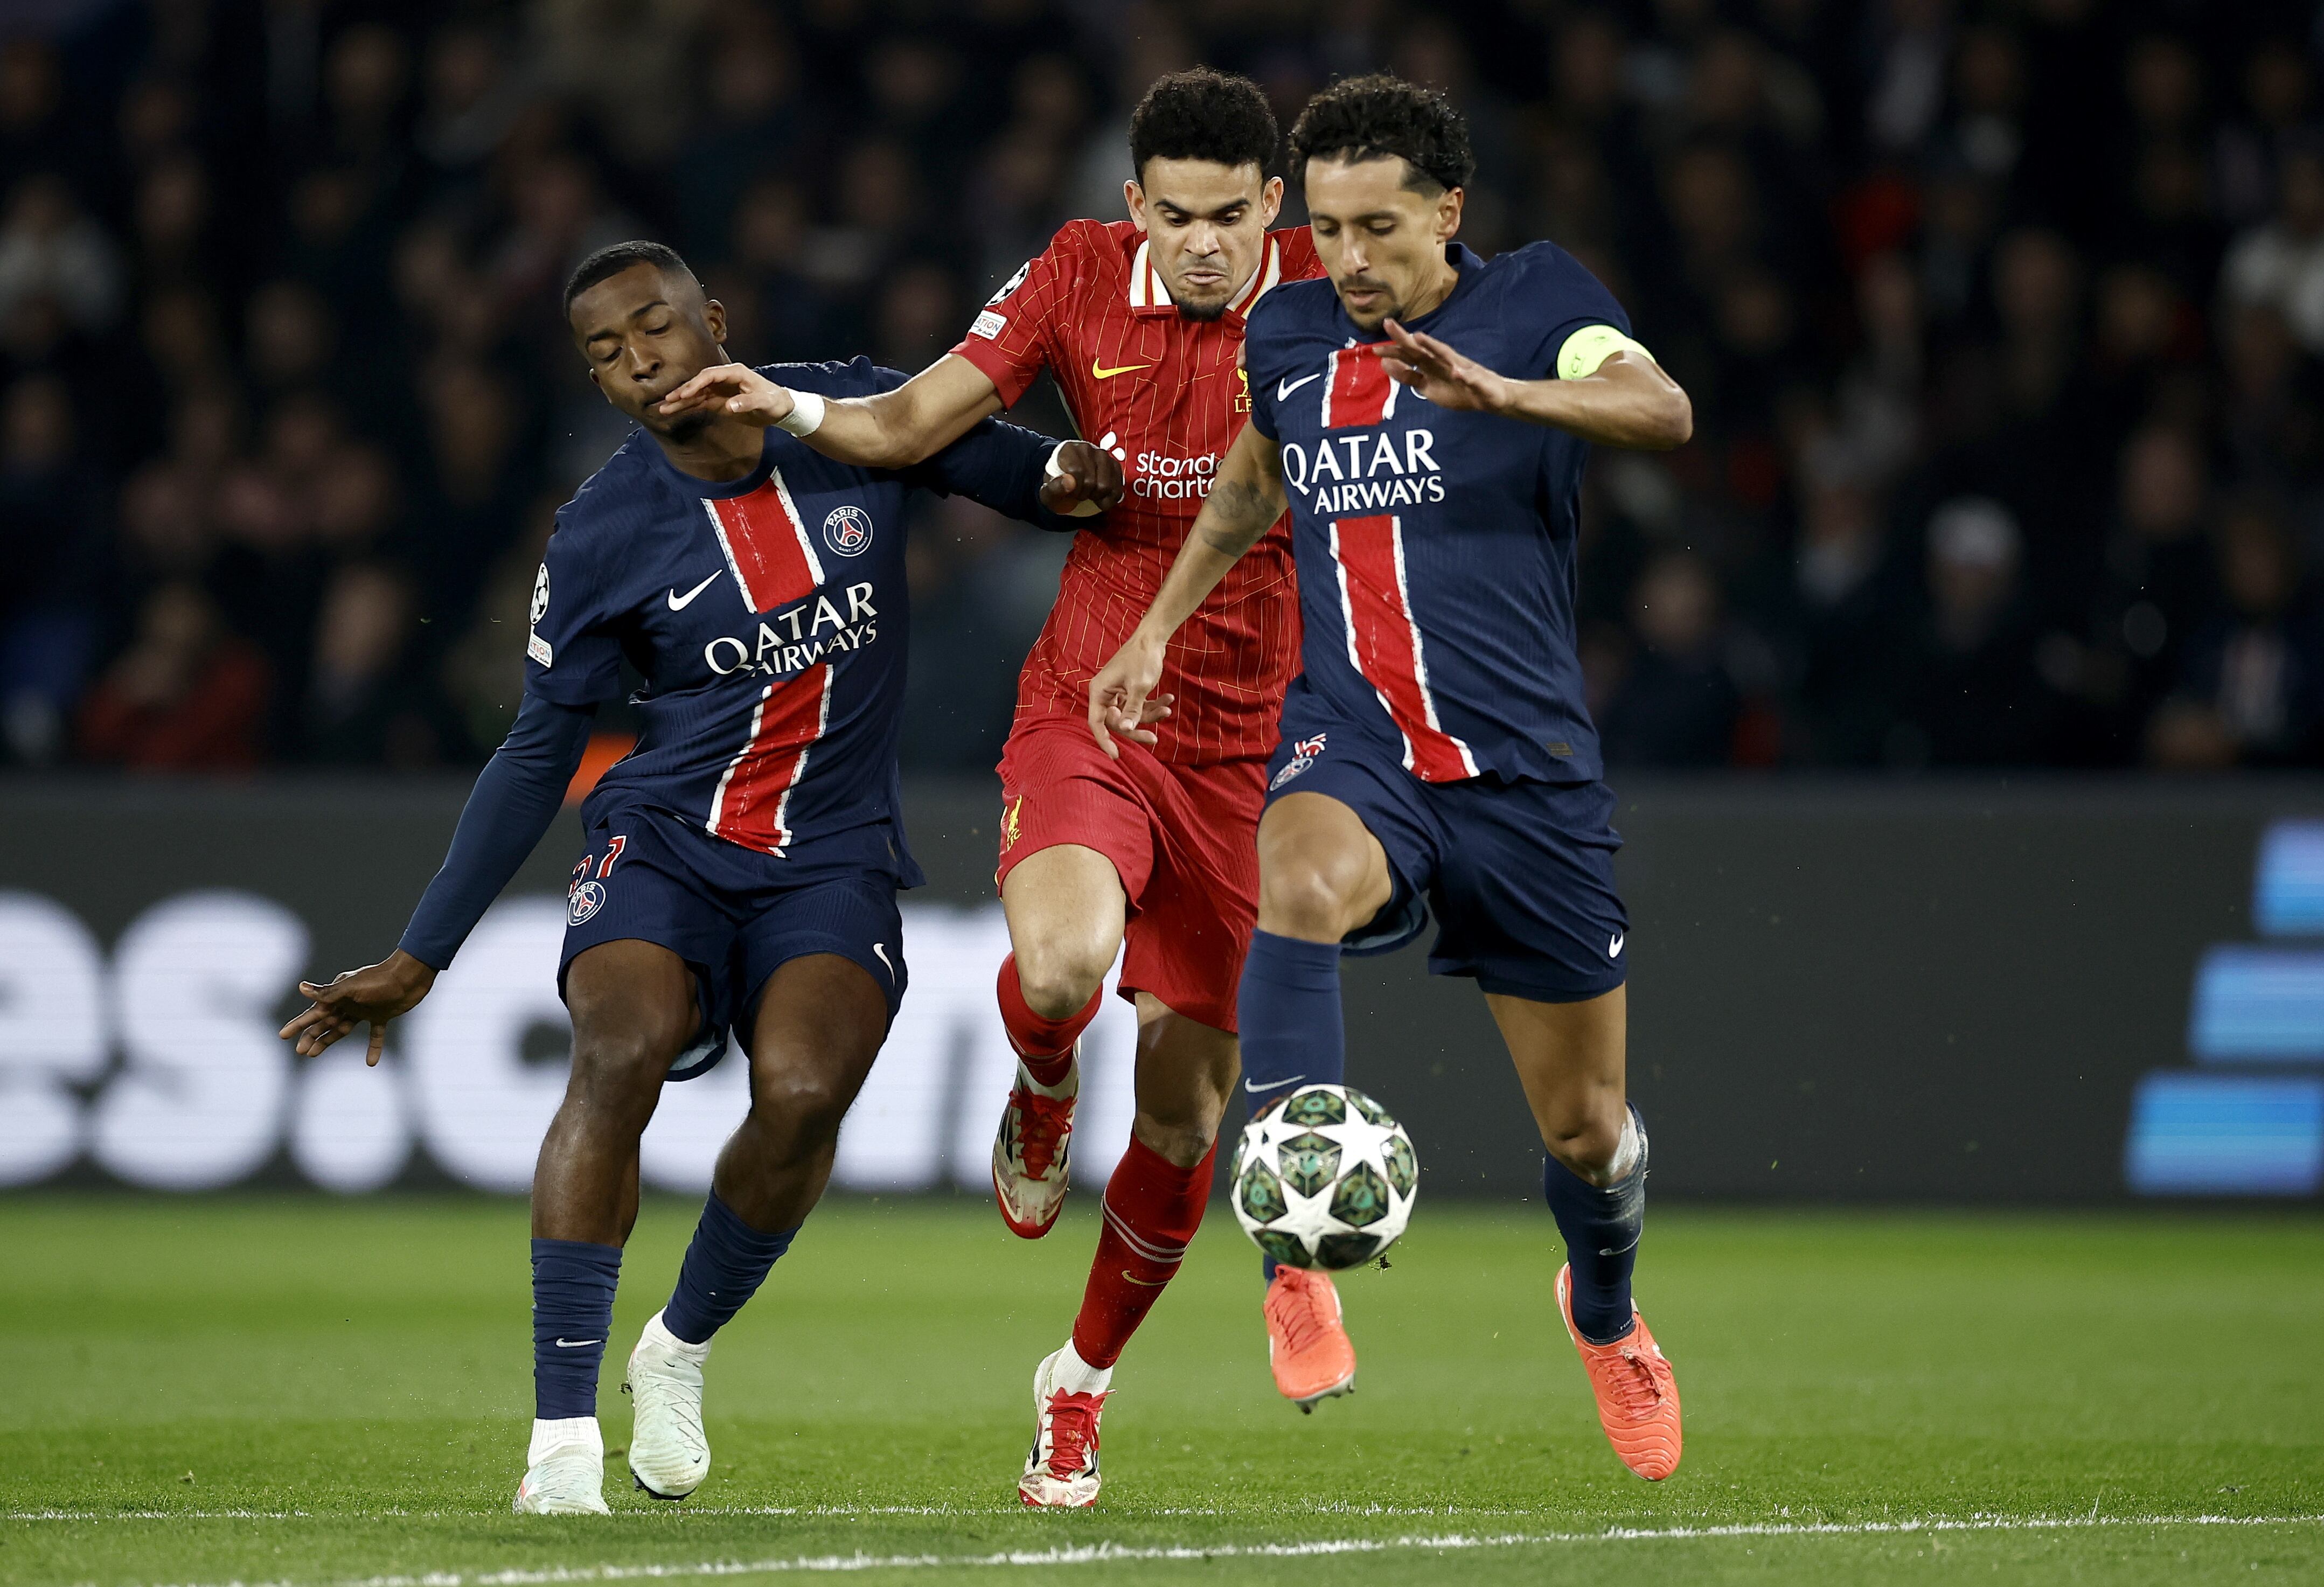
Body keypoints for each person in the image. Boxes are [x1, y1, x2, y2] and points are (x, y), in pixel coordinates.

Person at [277, 241, 1121, 1515]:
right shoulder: (604, 529)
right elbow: (537, 748)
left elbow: (1024, 476)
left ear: (712, 319)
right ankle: (561, 1445)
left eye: (655, 328)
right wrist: (421, 954)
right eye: (605, 354)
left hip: (831, 855)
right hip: (664, 839)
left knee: (799, 1095)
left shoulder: (844, 414)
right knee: (617, 1053)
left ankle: (676, 1349)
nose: (638, 364)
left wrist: (1078, 473)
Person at [653, 69, 1335, 1507]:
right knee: (1063, 962)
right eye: (1176, 213)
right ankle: (1039, 1078)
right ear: (1132, 201)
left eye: (1232, 214)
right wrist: (781, 399)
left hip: (1258, 743)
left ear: (1275, 206)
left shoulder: (1333, 302)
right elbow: (911, 427)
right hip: (1094, 691)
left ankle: (1075, 1386)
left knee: (1185, 1114)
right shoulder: (1077, 272)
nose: (1203, 241)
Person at [1085, 74, 1696, 1483]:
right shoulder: (1289, 329)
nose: (1349, 260)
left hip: (1523, 774)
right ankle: (1295, 1252)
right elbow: (1253, 481)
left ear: (1447, 214)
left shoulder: (1538, 300)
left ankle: (1602, 1314)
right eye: (1330, 230)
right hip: (1356, 745)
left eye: (1379, 229)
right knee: (1288, 877)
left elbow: (1657, 405)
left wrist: (1501, 391)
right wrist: (1156, 628)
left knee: (1589, 1134)